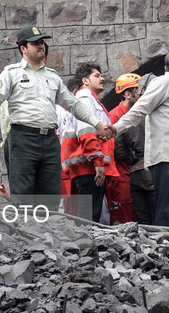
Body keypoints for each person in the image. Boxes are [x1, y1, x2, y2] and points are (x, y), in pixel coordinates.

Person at [0, 26, 108, 210]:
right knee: (23, 196)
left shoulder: (52, 76)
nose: (41, 46)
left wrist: (97, 124)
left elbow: (73, 105)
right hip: (23, 138)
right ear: (23, 48)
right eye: (35, 43)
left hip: (50, 140)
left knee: (49, 195)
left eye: (42, 42)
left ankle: (47, 236)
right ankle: (26, 236)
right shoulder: (12, 73)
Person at [110, 50, 169, 230]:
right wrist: (116, 128)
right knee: (167, 211)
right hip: (168, 158)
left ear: (165, 66)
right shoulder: (163, 82)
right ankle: (166, 253)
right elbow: (140, 109)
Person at [60, 62, 119, 222]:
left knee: (90, 214)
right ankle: (84, 246)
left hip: (89, 165)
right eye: (97, 76)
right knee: (88, 216)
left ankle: (86, 244)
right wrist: (98, 162)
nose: (102, 79)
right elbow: (86, 132)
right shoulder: (85, 99)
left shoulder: (89, 100)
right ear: (85, 80)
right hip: (89, 167)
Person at [113, 73, 156, 225]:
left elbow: (119, 148)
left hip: (134, 173)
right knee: (159, 216)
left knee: (142, 220)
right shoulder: (155, 114)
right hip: (153, 169)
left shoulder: (127, 118)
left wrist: (134, 161)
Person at [107, 73, 140, 224]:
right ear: (128, 94)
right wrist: (135, 160)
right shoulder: (114, 116)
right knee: (124, 215)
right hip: (119, 175)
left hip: (131, 172)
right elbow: (116, 149)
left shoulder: (137, 114)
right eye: (138, 91)